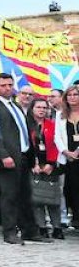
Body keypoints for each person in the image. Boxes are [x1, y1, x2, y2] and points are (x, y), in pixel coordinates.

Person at [0, 72, 44, 244]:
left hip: (23, 155)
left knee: (25, 195)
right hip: (8, 158)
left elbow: (24, 132)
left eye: (10, 84)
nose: (8, 88)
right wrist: (3, 155)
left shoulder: (14, 106)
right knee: (9, 196)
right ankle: (9, 232)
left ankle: (29, 230)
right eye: (3, 85)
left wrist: (32, 156)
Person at [27, 97, 63, 238]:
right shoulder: (27, 125)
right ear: (32, 109)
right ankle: (41, 227)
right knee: (37, 198)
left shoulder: (52, 125)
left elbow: (56, 144)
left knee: (53, 198)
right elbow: (27, 145)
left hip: (50, 165)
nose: (42, 110)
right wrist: (33, 163)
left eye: (44, 107)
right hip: (33, 165)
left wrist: (51, 163)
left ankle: (57, 227)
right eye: (38, 107)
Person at [60, 85, 79, 230]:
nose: (72, 97)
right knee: (72, 189)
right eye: (70, 95)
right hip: (69, 159)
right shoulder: (60, 115)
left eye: (75, 94)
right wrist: (67, 152)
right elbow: (57, 137)